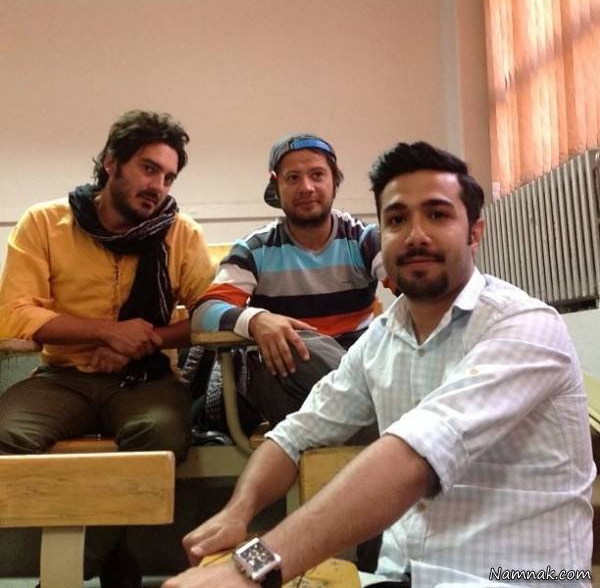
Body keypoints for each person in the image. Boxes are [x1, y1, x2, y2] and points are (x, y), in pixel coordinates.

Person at [163, 142, 594, 588]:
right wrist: (238, 511)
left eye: (438, 215)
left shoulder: (524, 326)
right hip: (402, 575)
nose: (416, 235)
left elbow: (414, 454)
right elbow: (294, 434)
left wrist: (249, 568)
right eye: (397, 220)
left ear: (474, 233)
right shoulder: (381, 338)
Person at [0, 110, 213, 586]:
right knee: (6, 434)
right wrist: (105, 332)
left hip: (145, 379)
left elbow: (211, 312)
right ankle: (117, 553)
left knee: (160, 435)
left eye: (169, 177)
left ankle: (69, 572)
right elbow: (13, 315)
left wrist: (145, 339)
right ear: (111, 162)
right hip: (63, 377)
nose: (158, 186)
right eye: (148, 168)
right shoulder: (44, 223)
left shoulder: (181, 232)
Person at [189, 132, 388, 427]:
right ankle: (379, 422)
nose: (306, 187)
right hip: (288, 378)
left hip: (354, 371)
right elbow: (203, 313)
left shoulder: (365, 240)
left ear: (335, 180)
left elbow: (416, 290)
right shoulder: (255, 249)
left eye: (317, 175)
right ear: (276, 186)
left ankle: (358, 422)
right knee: (290, 343)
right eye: (293, 178)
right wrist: (257, 321)